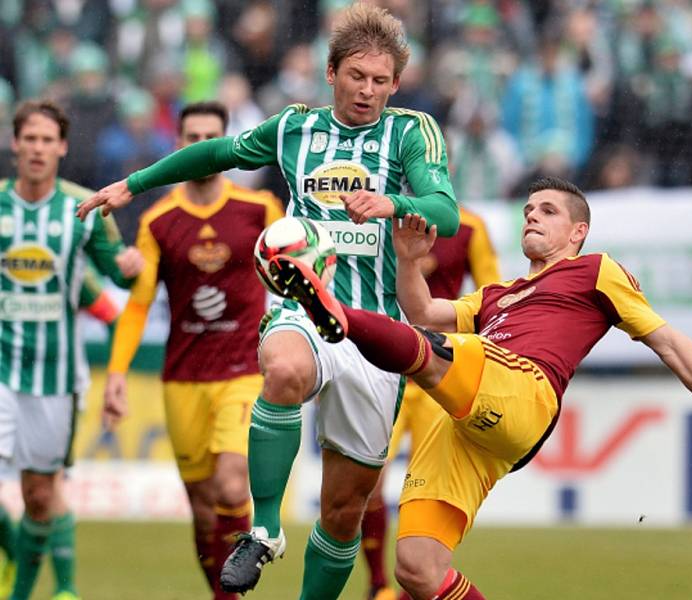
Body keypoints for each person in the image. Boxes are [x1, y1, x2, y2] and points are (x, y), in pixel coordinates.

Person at [77, 4, 459, 598]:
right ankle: (265, 528)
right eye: (357, 76)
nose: (368, 90)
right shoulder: (294, 128)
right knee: (282, 369)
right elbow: (216, 154)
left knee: (342, 512)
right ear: (331, 73)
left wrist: (395, 204)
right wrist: (134, 183)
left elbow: (445, 210)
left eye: (380, 81)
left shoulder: (410, 132)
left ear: (395, 84)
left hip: (375, 327)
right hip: (304, 305)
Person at [267, 176, 692, 600]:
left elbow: (669, 341)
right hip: (471, 426)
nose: (531, 216)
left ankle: (330, 312)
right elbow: (424, 310)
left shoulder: (595, 271)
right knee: (418, 569)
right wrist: (408, 260)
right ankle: (335, 316)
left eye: (547, 210)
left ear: (578, 232)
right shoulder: (497, 295)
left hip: (524, 390)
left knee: (437, 351)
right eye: (527, 210)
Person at [102, 101, 284, 600]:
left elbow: (297, 271)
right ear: (178, 146)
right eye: (192, 138)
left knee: (231, 487)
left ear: (226, 149)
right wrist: (117, 372)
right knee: (203, 509)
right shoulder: (160, 221)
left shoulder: (260, 210)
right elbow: (138, 307)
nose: (201, 147)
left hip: (244, 370)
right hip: (183, 378)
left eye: (212, 138)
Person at [0, 100, 142, 600]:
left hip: (54, 375)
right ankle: (29, 578)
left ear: (61, 147)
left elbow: (111, 272)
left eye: (47, 140)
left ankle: (42, 587)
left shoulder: (82, 208)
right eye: (29, 138)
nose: (37, 148)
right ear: (15, 143)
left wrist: (128, 264)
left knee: (40, 496)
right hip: (0, 369)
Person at [360, 206, 500, 600]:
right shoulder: (377, 222)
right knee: (368, 483)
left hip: (439, 377)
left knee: (426, 495)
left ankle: (409, 591)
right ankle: (376, 585)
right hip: (383, 371)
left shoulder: (472, 227)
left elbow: (493, 300)